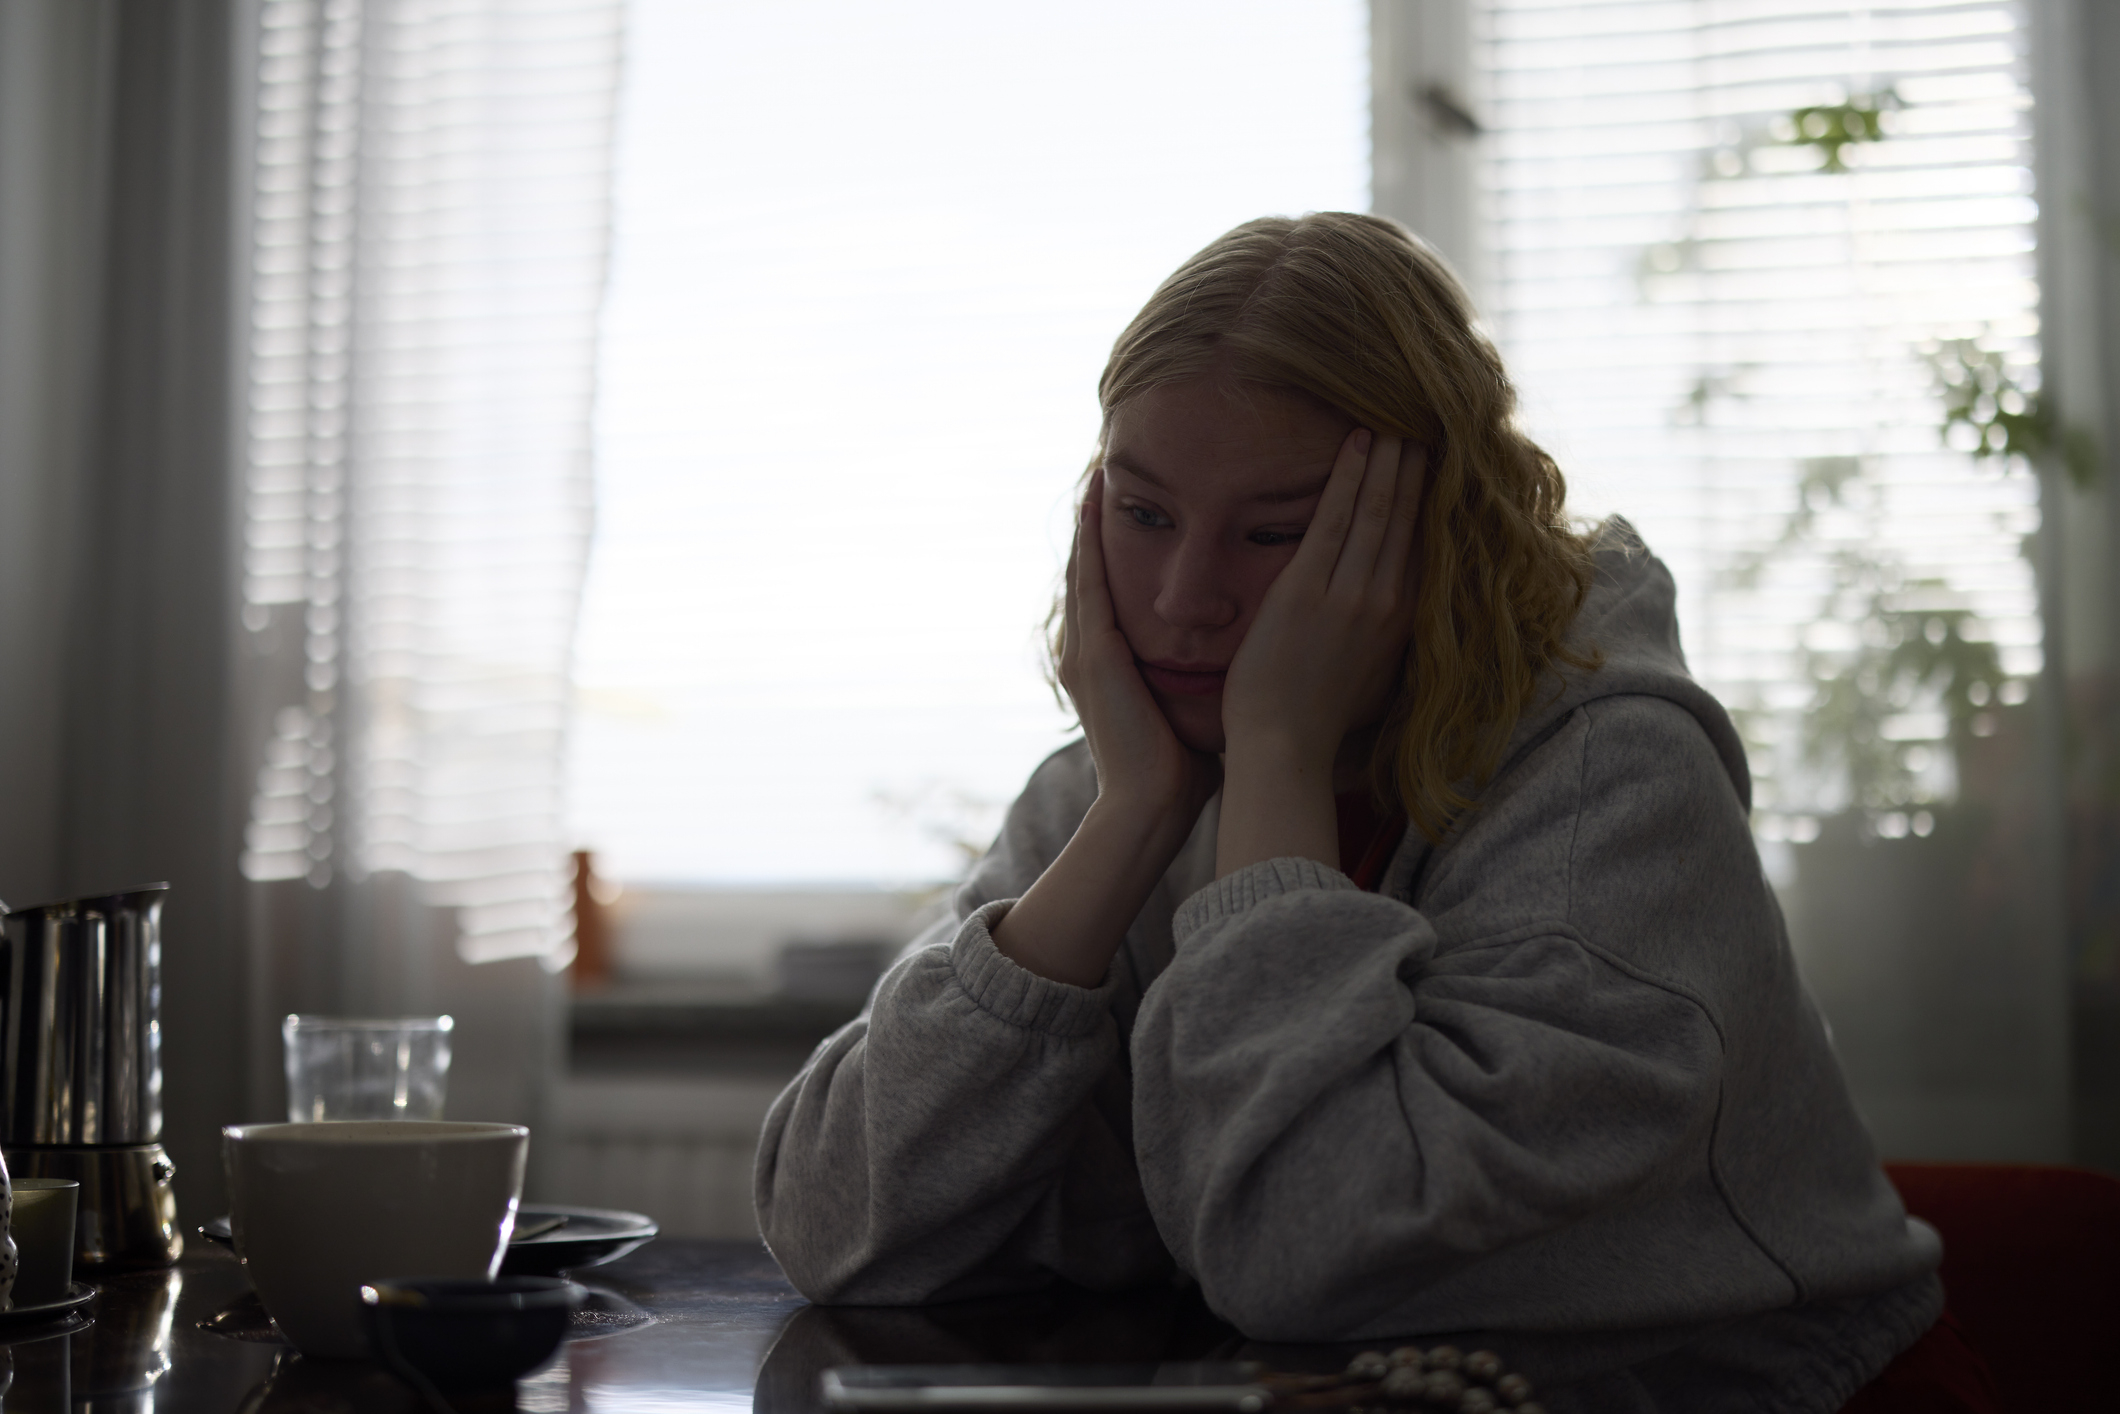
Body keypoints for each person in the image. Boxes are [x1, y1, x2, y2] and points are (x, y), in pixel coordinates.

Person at [754, 213, 1960, 1411]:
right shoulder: (1120, 776)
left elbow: (1304, 1251)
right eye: (1142, 512)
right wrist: (1128, 818)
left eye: (1274, 533)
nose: (1181, 600)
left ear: (1433, 534)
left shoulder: (1612, 780)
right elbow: (831, 1226)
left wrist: (1277, 750)